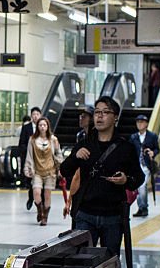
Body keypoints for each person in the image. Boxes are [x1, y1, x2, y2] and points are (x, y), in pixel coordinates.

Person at [59, 96, 143, 257]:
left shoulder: (125, 148)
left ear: (115, 117)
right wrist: (75, 156)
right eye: (97, 112)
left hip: (113, 216)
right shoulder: (85, 144)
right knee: (82, 261)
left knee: (110, 262)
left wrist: (126, 180)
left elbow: (138, 178)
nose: (99, 116)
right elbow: (65, 171)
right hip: (85, 214)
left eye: (105, 112)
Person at [24, 117, 62, 226]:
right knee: (36, 192)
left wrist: (60, 168)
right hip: (37, 171)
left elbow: (58, 154)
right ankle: (39, 210)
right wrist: (27, 168)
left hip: (50, 171)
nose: (42, 127)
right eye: (40, 125)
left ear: (48, 127)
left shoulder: (53, 139)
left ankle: (45, 217)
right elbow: (29, 155)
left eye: (44, 125)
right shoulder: (32, 139)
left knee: (47, 195)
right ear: (37, 126)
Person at [129, 114, 160, 218]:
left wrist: (153, 153)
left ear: (146, 124)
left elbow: (157, 149)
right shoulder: (133, 137)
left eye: (142, 122)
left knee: (142, 186)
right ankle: (142, 207)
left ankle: (143, 207)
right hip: (135, 165)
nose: (139, 124)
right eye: (138, 122)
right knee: (139, 187)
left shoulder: (152, 136)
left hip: (146, 165)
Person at [18, 107, 41, 210]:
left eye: (37, 114)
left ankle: (39, 203)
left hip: (41, 160)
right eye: (34, 114)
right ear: (31, 116)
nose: (35, 116)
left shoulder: (43, 127)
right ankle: (31, 198)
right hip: (30, 159)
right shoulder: (26, 128)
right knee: (32, 181)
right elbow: (21, 143)